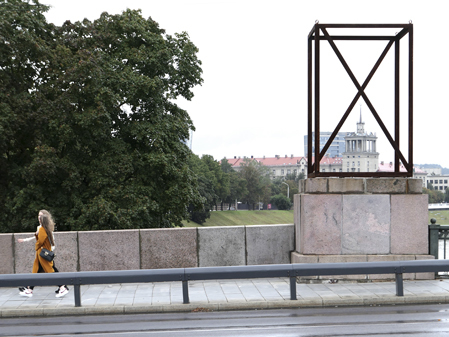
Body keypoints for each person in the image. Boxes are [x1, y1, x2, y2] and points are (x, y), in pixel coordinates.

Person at [19, 210, 69, 298]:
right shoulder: (45, 228)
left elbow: (40, 241)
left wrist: (36, 246)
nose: (39, 218)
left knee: (50, 271)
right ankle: (29, 290)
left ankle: (62, 288)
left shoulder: (42, 229)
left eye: (40, 217)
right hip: (42, 254)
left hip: (42, 254)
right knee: (37, 271)